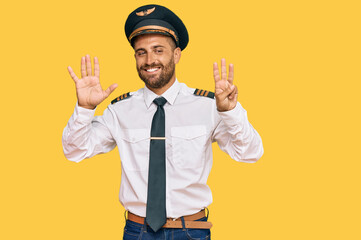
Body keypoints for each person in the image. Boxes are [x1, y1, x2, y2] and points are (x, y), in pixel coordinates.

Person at [62, 4, 263, 240]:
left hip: (192, 231)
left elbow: (250, 153)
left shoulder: (209, 106)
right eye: (141, 52)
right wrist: (85, 108)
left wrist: (231, 112)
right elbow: (74, 151)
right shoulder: (119, 110)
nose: (149, 60)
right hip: (138, 232)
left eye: (158, 50)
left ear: (176, 54)